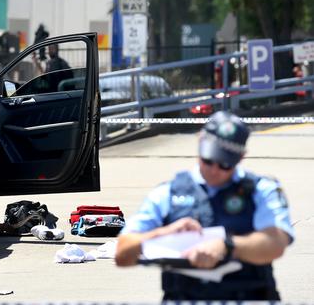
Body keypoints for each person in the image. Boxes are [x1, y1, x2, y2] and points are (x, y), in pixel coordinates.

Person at [115, 111, 294, 301]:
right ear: (200, 142)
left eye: (225, 164)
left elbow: (276, 243)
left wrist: (227, 246)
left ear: (241, 157)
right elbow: (122, 254)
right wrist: (164, 232)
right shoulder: (168, 193)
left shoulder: (261, 190)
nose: (214, 169)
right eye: (208, 159)